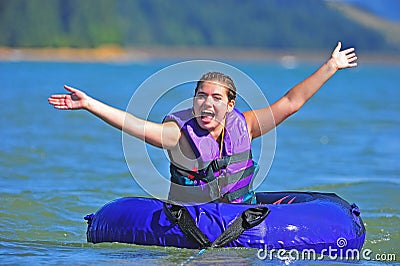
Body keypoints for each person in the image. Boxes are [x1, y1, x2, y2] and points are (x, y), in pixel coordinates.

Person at [48, 42, 357, 204]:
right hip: (191, 220)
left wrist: (331, 66)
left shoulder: (246, 126)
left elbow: (291, 103)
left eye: (216, 98)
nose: (206, 103)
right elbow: (134, 124)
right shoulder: (177, 135)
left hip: (240, 215)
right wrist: (89, 104)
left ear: (230, 104)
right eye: (200, 96)